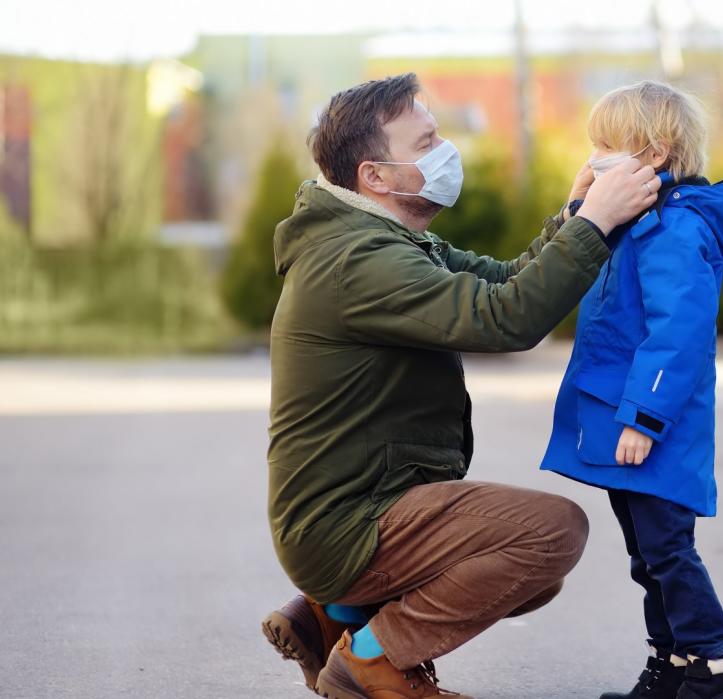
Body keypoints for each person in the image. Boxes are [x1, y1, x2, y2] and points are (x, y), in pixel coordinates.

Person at [260, 72, 661, 699]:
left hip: (360, 510)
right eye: (425, 143)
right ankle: (370, 660)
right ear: (376, 175)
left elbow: (500, 284)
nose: (446, 152)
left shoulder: (381, 238)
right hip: (347, 524)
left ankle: (331, 618)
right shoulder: (357, 260)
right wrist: (597, 226)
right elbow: (507, 319)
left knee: (531, 570)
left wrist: (576, 215)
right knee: (550, 533)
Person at [539, 81, 723, 699]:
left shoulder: (676, 230)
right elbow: (569, 263)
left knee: (668, 551)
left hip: (652, 428)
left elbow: (676, 336)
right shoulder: (636, 222)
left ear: (654, 154)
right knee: (647, 556)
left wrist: (645, 418)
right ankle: (670, 667)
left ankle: (714, 670)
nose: (594, 157)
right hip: (625, 420)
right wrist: (578, 208)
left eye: (607, 145)